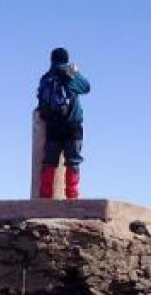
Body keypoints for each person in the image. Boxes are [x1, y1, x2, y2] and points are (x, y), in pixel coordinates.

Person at [37, 46, 91, 199]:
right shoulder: (70, 75)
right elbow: (86, 87)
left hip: (53, 126)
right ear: (66, 59)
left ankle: (45, 197)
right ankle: (72, 197)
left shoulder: (46, 77)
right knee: (73, 161)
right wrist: (76, 72)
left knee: (49, 162)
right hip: (72, 125)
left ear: (52, 59)